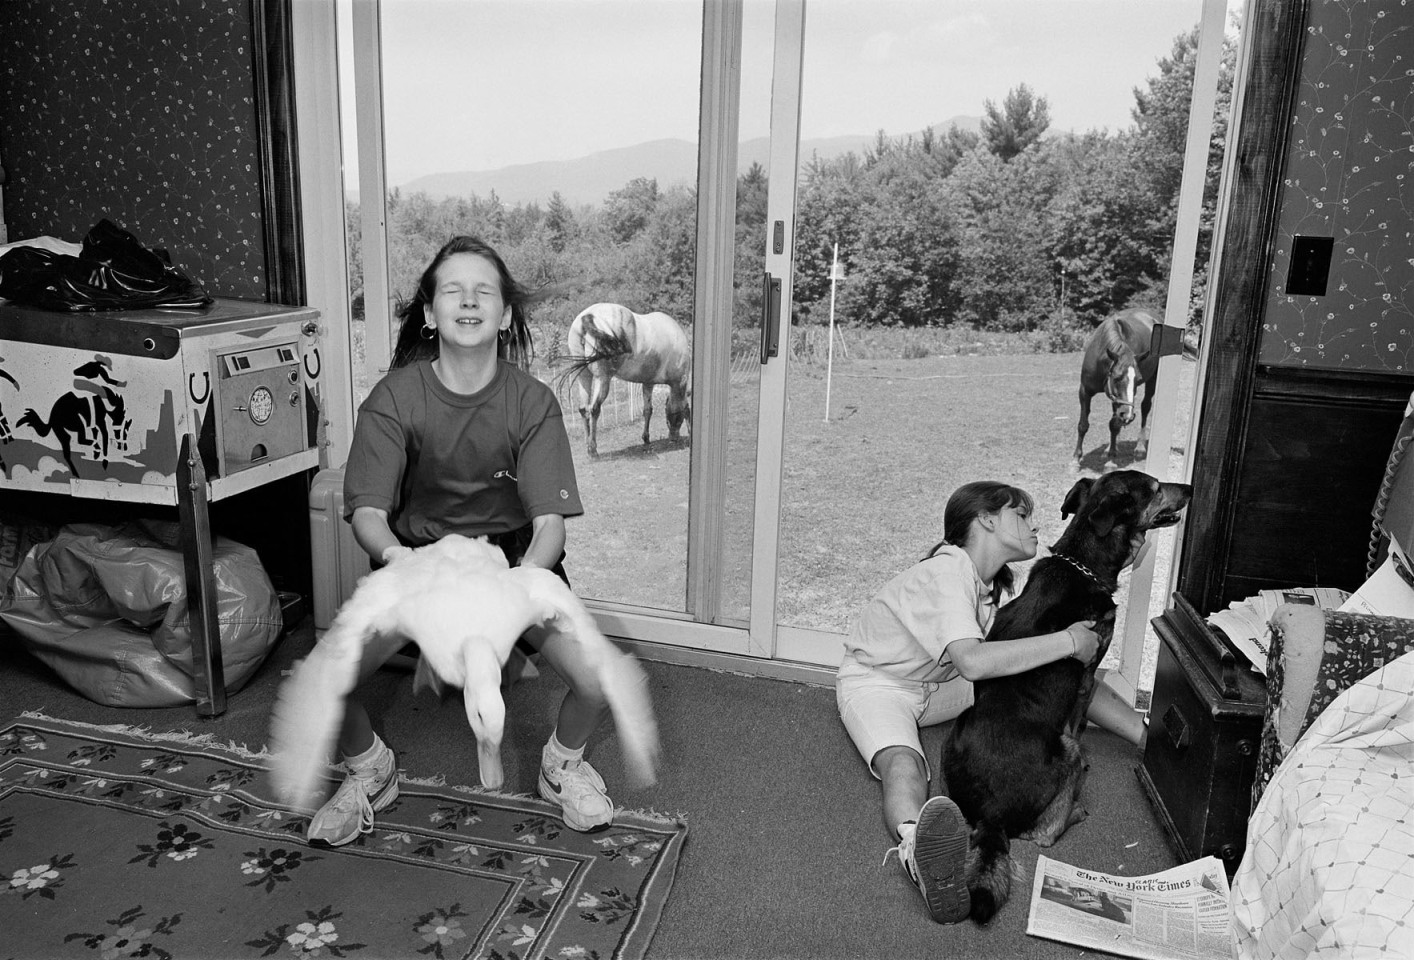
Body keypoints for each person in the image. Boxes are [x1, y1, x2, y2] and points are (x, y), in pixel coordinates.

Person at [308, 235, 612, 847]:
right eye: (453, 290)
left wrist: (514, 589)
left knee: (595, 681)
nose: (469, 302)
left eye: (484, 292)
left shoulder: (533, 401)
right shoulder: (394, 398)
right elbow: (367, 511)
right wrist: (400, 561)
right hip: (420, 564)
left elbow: (549, 526)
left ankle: (563, 766)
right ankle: (370, 770)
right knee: (325, 680)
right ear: (429, 313)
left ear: (504, 316)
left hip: (513, 561)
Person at [836, 480, 1145, 923]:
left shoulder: (985, 588)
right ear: (985, 519)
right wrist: (1067, 640)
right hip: (878, 683)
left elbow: (1052, 674)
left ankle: (1141, 733)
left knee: (1038, 677)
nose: (1034, 527)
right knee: (904, 764)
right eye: (1022, 515)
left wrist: (1140, 732)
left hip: (941, 685)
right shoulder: (947, 574)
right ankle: (917, 852)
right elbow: (975, 662)